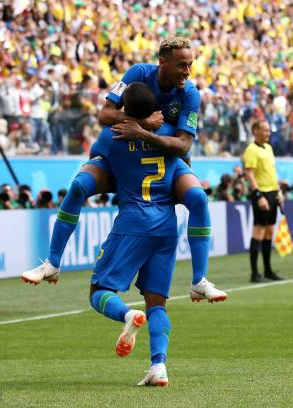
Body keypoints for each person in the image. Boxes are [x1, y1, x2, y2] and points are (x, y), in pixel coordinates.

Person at [22, 38, 223, 303]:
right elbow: (104, 115)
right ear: (162, 62)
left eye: (190, 65)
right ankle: (53, 263)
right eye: (181, 65)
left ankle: (199, 281)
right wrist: (142, 123)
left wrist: (143, 132)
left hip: (165, 161)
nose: (187, 71)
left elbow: (184, 143)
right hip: (121, 157)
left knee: (198, 198)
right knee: (79, 186)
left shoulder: (190, 94)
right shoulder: (138, 73)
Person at [88, 83, 193, 387]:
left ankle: (125, 316)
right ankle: (158, 367)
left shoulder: (112, 136)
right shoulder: (168, 137)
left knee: (98, 291)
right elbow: (184, 158)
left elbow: (95, 162)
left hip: (133, 222)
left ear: (123, 109)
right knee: (157, 304)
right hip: (166, 226)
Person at [244, 120, 284, 283]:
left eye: (269, 130)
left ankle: (268, 270)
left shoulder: (268, 148)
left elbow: (272, 172)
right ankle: (255, 273)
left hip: (273, 193)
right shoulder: (251, 150)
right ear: (255, 131)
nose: (268, 133)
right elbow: (250, 175)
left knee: (269, 232)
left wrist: (279, 191)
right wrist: (258, 195)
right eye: (265, 130)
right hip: (262, 194)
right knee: (259, 231)